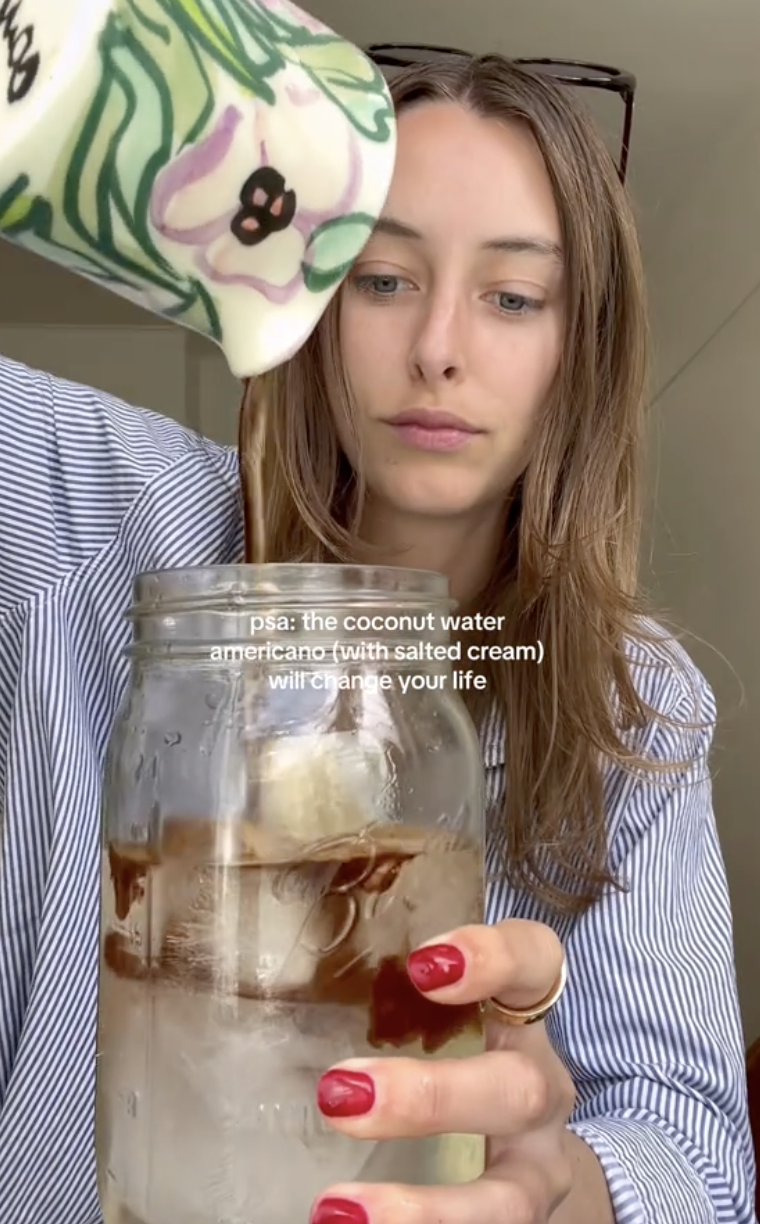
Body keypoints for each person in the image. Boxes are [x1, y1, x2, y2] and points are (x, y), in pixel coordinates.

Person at [0, 52, 755, 1224]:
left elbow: (698, 1157)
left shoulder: (632, 702)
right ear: (309, 304)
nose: (438, 348)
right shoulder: (106, 520)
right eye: (383, 277)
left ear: (581, 351)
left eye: (513, 296)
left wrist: (556, 1185)